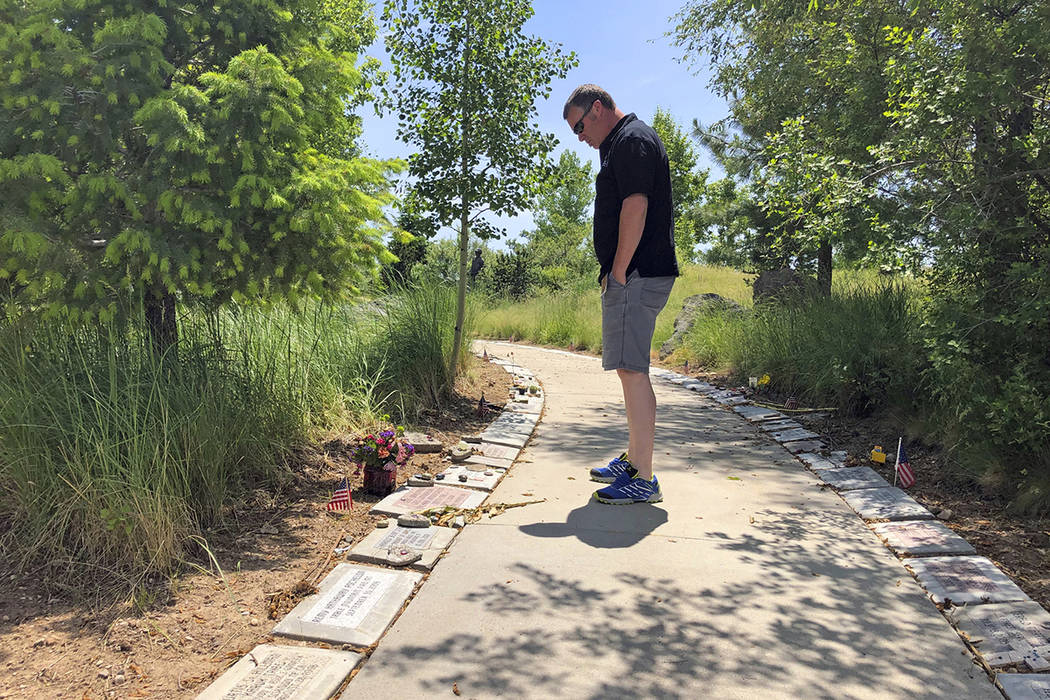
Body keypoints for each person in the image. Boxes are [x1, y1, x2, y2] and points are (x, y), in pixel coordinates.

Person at [563, 84, 678, 505]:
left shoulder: (632, 139)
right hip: (634, 272)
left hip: (637, 273)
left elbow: (636, 205)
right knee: (629, 369)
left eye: (579, 125)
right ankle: (634, 461)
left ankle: (643, 480)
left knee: (633, 370)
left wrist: (619, 269)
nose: (579, 136)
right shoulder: (619, 143)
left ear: (598, 108)